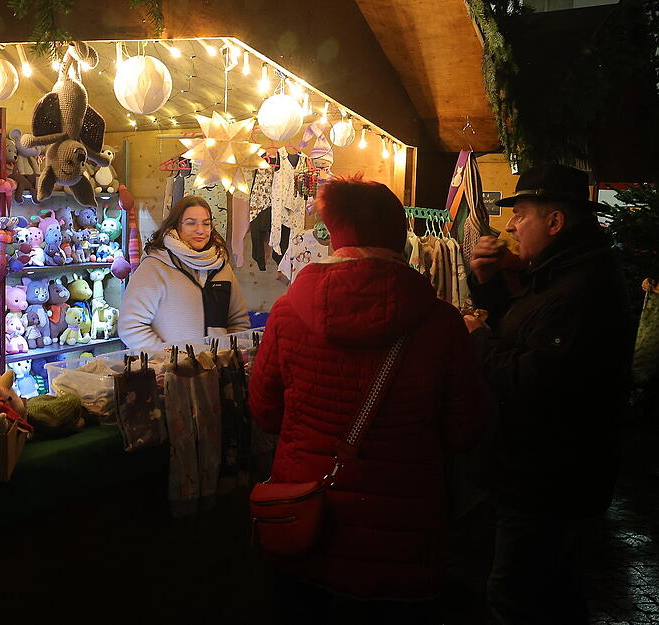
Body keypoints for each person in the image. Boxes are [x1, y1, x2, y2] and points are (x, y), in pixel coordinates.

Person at [248, 176, 488, 624]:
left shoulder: (287, 311)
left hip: (306, 520)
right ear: (400, 236)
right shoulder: (441, 322)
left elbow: (264, 412)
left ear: (335, 234)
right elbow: (466, 431)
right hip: (402, 535)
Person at [464, 163, 634, 625]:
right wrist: (496, 283)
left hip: (546, 483)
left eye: (521, 214)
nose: (512, 226)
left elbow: (532, 381)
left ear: (555, 222)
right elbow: (526, 333)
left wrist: (477, 336)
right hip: (545, 476)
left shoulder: (579, 290)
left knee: (518, 597)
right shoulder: (562, 274)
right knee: (552, 593)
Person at [118, 196, 250, 350]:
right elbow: (130, 326)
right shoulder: (155, 267)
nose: (200, 230)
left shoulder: (221, 266)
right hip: (171, 372)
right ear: (176, 226)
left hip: (218, 371)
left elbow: (239, 322)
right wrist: (169, 359)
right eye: (191, 223)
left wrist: (228, 356)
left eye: (206, 224)